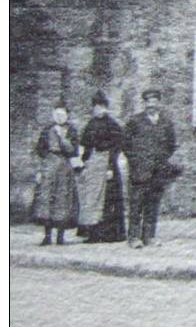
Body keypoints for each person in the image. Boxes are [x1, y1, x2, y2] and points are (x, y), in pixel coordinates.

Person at [123, 89, 177, 248]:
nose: (151, 105)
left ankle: (149, 236)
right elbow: (126, 144)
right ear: (145, 104)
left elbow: (171, 144)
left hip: (158, 169)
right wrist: (135, 161)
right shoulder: (135, 121)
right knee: (136, 204)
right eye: (148, 102)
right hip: (140, 170)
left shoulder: (166, 122)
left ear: (159, 103)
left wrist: (162, 158)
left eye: (154, 102)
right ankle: (133, 237)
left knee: (153, 204)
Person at [77, 91, 127, 243]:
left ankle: (111, 234)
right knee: (91, 199)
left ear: (106, 108)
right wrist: (84, 162)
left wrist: (110, 167)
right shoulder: (91, 124)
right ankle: (93, 233)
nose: (98, 110)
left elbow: (117, 147)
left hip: (107, 164)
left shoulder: (112, 125)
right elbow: (86, 146)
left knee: (108, 199)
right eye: (96, 107)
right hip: (93, 164)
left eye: (101, 107)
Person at [30, 103, 81, 245]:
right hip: (49, 165)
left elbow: (73, 151)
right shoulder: (47, 130)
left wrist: (62, 137)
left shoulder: (71, 130)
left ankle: (60, 236)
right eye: (57, 115)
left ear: (67, 116)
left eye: (62, 115)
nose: (59, 117)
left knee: (63, 200)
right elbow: (40, 150)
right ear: (53, 115)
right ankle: (47, 236)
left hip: (64, 167)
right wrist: (40, 169)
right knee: (47, 200)